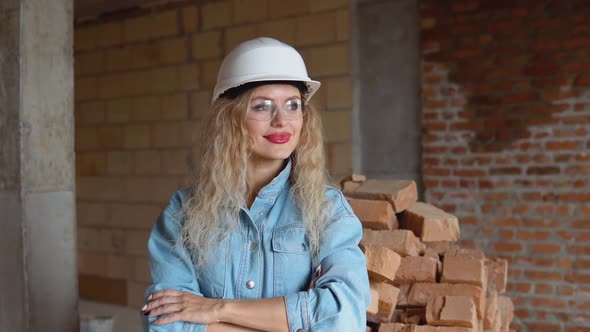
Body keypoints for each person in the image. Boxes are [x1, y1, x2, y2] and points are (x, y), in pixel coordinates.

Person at [141, 37, 371, 332]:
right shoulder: (182, 214)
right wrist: (293, 322)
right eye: (262, 107)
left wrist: (216, 309)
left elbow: (345, 316)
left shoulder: (328, 210)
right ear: (229, 118)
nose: (281, 121)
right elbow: (162, 323)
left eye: (292, 105)